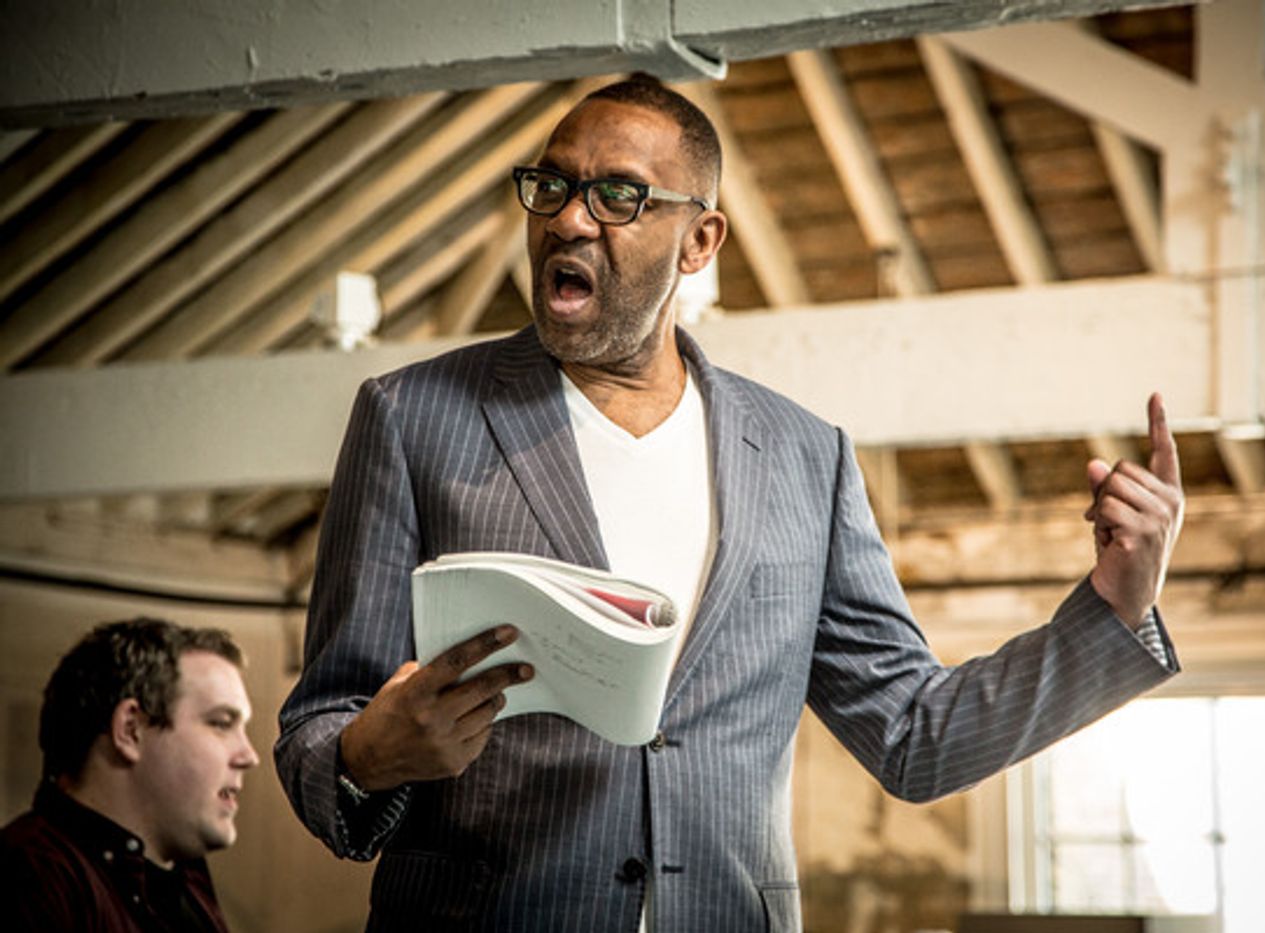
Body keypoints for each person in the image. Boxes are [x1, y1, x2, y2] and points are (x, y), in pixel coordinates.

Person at [276, 75, 1184, 931]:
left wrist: (1115, 608)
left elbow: (914, 734)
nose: (568, 220)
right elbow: (320, 728)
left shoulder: (803, 456)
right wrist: (369, 753)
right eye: (550, 186)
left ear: (700, 241)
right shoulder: (412, 418)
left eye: (617, 196)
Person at [2, 618, 259, 932]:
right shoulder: (28, 877)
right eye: (220, 723)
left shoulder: (187, 879)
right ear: (130, 729)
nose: (249, 756)